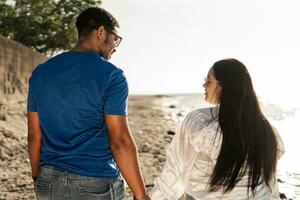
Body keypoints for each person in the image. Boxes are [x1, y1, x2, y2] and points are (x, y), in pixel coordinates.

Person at [27, 7, 150, 200]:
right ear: (101, 33)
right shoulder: (112, 76)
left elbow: (34, 136)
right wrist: (141, 195)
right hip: (95, 182)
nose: (116, 46)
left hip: (49, 180)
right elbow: (120, 142)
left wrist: (37, 177)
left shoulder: (40, 73)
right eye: (115, 38)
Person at [149, 58, 285, 200]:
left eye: (208, 81)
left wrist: (151, 197)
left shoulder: (201, 122)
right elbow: (270, 179)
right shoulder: (266, 129)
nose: (203, 85)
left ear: (224, 87)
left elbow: (175, 168)